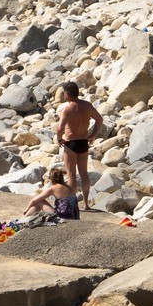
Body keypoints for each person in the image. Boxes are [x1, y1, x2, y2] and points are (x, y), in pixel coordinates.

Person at [55, 80, 105, 211]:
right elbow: (99, 120)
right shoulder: (87, 106)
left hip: (71, 144)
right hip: (83, 142)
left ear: (66, 95)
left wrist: (59, 139)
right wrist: (93, 135)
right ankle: (86, 204)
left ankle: (72, 204)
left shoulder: (68, 109)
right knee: (84, 173)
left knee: (71, 175)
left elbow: (60, 128)